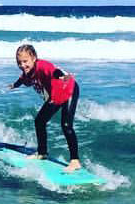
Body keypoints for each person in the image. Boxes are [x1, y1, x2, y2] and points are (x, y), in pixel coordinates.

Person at [8, 43, 82, 172]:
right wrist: (14, 85)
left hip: (69, 88)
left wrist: (60, 76)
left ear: (34, 58)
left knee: (66, 125)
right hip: (55, 95)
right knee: (39, 121)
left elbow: (54, 71)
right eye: (19, 62)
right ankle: (42, 153)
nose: (22, 65)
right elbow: (21, 79)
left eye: (25, 61)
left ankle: (75, 161)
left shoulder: (43, 66)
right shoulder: (27, 73)